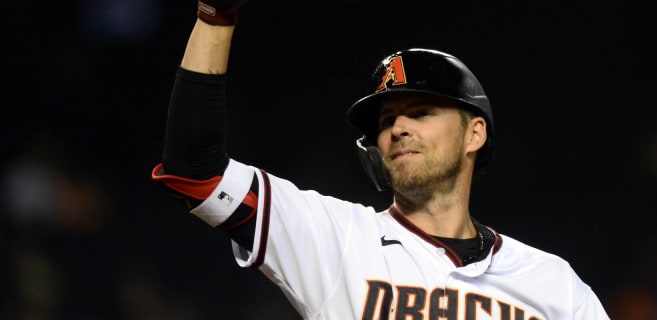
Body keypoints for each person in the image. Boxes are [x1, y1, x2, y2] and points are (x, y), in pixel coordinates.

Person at [151, 0, 611, 318]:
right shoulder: (337, 240)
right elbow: (195, 173)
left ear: (475, 133)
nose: (398, 128)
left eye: (421, 112)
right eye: (387, 120)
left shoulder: (553, 284)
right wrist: (215, 17)